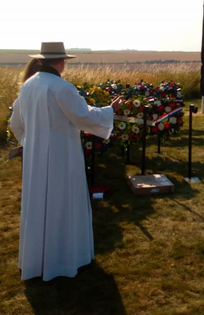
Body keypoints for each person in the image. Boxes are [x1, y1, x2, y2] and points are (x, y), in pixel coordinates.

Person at [9, 42, 123, 281]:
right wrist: (110, 110)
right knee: (63, 203)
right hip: (62, 157)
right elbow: (83, 116)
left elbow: (15, 123)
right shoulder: (62, 87)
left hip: (35, 160)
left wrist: (31, 144)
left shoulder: (28, 86)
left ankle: (37, 262)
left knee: (40, 204)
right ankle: (64, 261)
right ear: (61, 62)